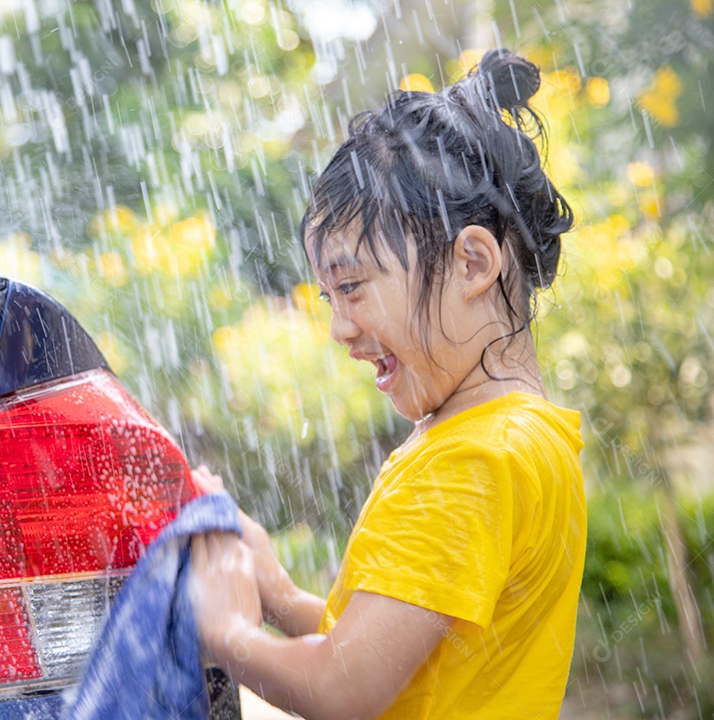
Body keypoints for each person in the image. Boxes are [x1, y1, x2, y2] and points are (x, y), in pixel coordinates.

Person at [187, 48, 585, 719]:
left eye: (351, 287)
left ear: (473, 263)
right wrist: (279, 596)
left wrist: (225, 632)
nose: (340, 328)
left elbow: (344, 689)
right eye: (328, 299)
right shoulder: (526, 439)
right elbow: (394, 656)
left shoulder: (469, 463)